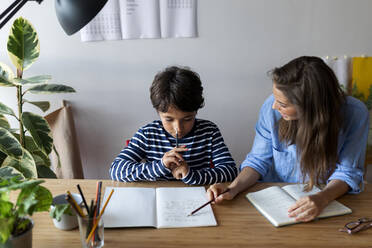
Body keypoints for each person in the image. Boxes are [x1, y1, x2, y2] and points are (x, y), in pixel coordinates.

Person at [207, 56, 369, 222]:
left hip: (328, 201)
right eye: (275, 99)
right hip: (274, 201)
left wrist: (322, 198)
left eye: (283, 104)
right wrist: (232, 188)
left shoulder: (355, 114)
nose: (274, 106)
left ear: (310, 107)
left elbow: (348, 172)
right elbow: (258, 161)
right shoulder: (272, 109)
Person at [110, 66, 238, 185]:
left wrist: (191, 175)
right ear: (158, 112)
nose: (178, 128)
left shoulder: (209, 132)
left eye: (187, 119)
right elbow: (116, 170)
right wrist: (161, 166)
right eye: (169, 119)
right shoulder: (147, 133)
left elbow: (230, 171)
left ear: (196, 111)